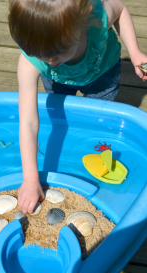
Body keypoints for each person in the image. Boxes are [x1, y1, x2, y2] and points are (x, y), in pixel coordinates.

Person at [8, 0, 147, 214]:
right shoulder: (31, 62)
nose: (50, 60)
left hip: (102, 72)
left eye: (60, 51)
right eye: (37, 53)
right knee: (62, 113)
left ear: (85, 18)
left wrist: (135, 51)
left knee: (98, 113)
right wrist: (30, 178)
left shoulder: (97, 18)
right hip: (58, 81)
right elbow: (27, 122)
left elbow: (120, 11)